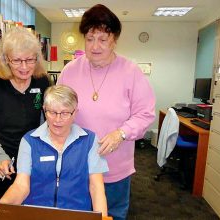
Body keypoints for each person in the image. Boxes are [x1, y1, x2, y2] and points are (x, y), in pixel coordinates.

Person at [58, 4, 156, 220]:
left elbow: (145, 114)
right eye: (90, 38)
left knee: (112, 215)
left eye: (103, 39)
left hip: (115, 168)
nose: (95, 46)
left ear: (114, 40)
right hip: (77, 168)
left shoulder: (131, 72)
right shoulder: (69, 71)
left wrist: (120, 133)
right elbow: (58, 112)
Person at [0, 85, 109, 219]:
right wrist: (1, 207)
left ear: (75, 112)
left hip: (76, 215)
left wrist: (103, 218)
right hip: (36, 214)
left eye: (65, 113)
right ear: (44, 110)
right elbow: (21, 185)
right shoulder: (29, 141)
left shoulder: (90, 141)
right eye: (52, 112)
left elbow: (96, 187)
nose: (57, 120)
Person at [0, 27, 50, 200]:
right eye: (17, 60)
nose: (24, 67)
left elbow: (43, 120)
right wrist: (0, 157)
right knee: (0, 209)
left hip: (31, 157)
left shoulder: (42, 80)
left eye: (30, 60)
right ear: (6, 59)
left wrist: (37, 153)